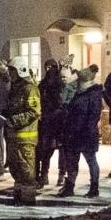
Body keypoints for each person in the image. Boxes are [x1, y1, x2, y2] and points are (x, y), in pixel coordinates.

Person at [0, 62, 42, 204]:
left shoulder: (30, 89)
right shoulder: (14, 89)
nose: (10, 74)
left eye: (12, 71)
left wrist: (14, 120)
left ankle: (27, 199)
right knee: (16, 169)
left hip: (25, 137)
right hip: (13, 137)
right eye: (9, 71)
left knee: (26, 170)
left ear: (20, 71)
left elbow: (34, 111)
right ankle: (19, 196)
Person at [59, 64, 104, 197]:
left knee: (91, 160)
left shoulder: (93, 95)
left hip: (86, 134)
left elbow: (93, 117)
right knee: (72, 161)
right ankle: (70, 187)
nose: (77, 83)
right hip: (74, 134)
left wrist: (87, 132)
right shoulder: (80, 94)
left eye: (79, 81)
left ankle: (94, 188)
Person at [36, 59, 66, 187]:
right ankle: (53, 175)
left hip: (52, 120)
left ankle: (49, 175)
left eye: (50, 67)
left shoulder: (54, 84)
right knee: (50, 150)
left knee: (49, 150)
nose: (49, 69)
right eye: (47, 67)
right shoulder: (56, 84)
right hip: (53, 120)